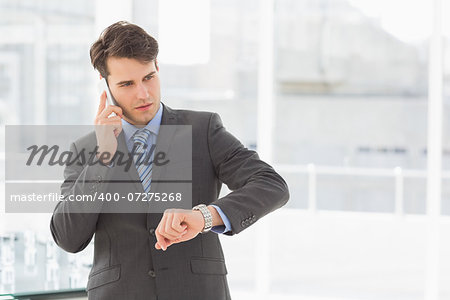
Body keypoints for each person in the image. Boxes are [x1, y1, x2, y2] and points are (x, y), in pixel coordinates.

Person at [50, 21, 289, 300]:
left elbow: (271, 185)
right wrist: (103, 157)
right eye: (127, 84)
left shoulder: (203, 129)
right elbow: (68, 238)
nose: (143, 94)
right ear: (107, 87)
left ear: (158, 69)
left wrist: (204, 217)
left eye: (148, 77)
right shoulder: (86, 149)